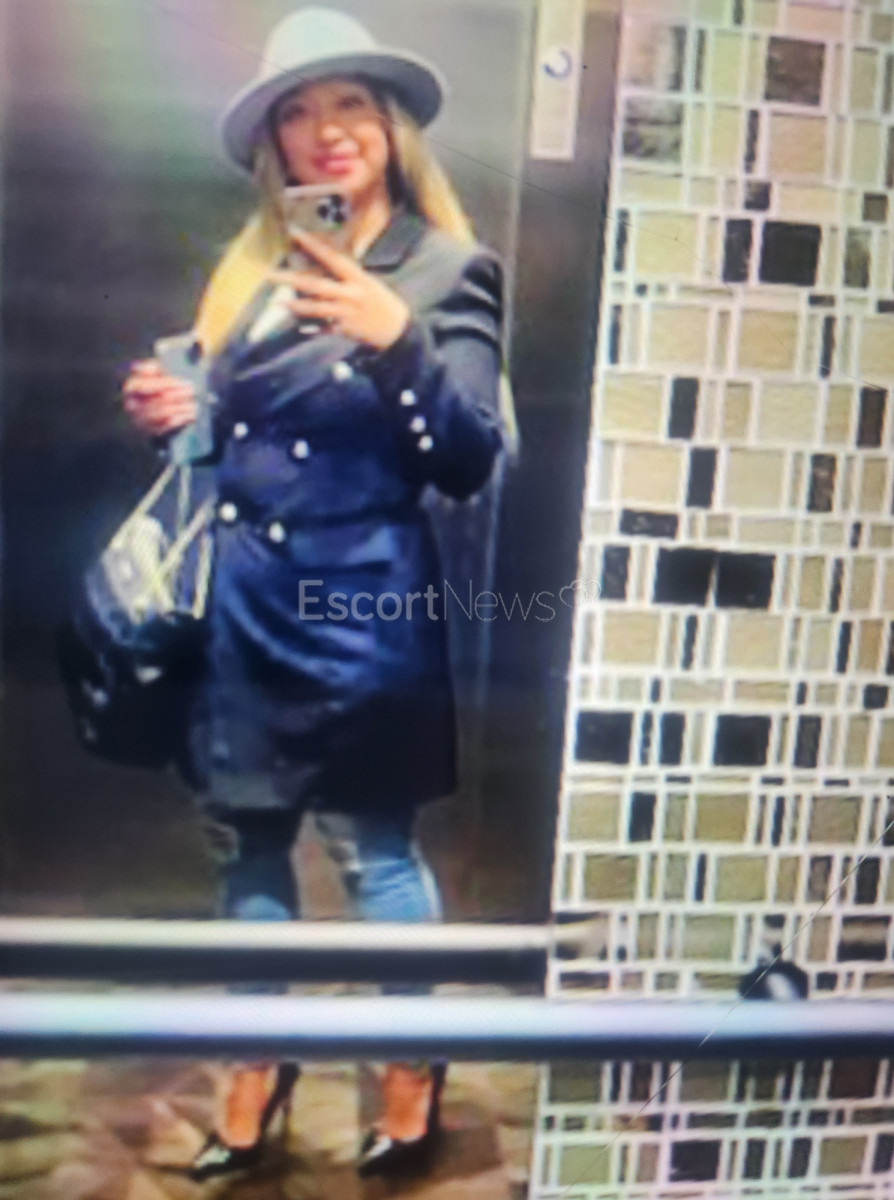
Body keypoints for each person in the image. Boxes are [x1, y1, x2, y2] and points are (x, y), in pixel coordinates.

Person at [121, 5, 509, 1183]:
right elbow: (232, 441)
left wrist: (400, 343)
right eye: (299, 111)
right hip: (242, 608)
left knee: (374, 850)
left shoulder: (447, 270)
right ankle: (257, 1062)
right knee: (245, 849)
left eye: (351, 105)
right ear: (275, 144)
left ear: (391, 129)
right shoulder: (250, 267)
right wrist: (177, 415)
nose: (327, 130)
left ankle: (409, 1071)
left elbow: (467, 460)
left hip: (360, 613)